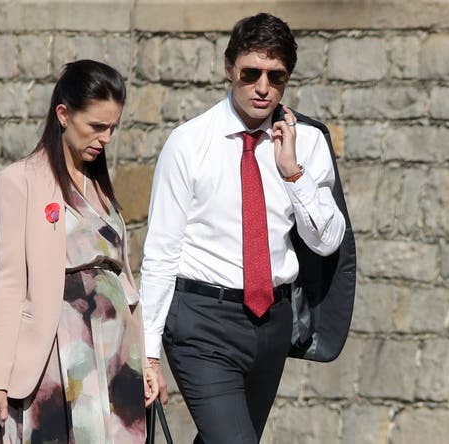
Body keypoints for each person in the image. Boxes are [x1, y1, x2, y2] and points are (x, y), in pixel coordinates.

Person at [139, 13, 354, 443]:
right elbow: (161, 253)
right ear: (228, 69)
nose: (262, 87)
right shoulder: (189, 143)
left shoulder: (306, 141)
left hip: (272, 322)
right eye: (250, 73)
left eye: (276, 77)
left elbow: (328, 242)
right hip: (201, 322)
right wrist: (146, 353)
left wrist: (293, 173)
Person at [0, 59, 158, 443]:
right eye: (96, 126)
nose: (105, 138)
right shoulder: (19, 181)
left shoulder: (100, 186)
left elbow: (124, 281)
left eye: (112, 128)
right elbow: (9, 285)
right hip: (58, 356)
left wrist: (148, 361)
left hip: (117, 354)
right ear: (63, 114)